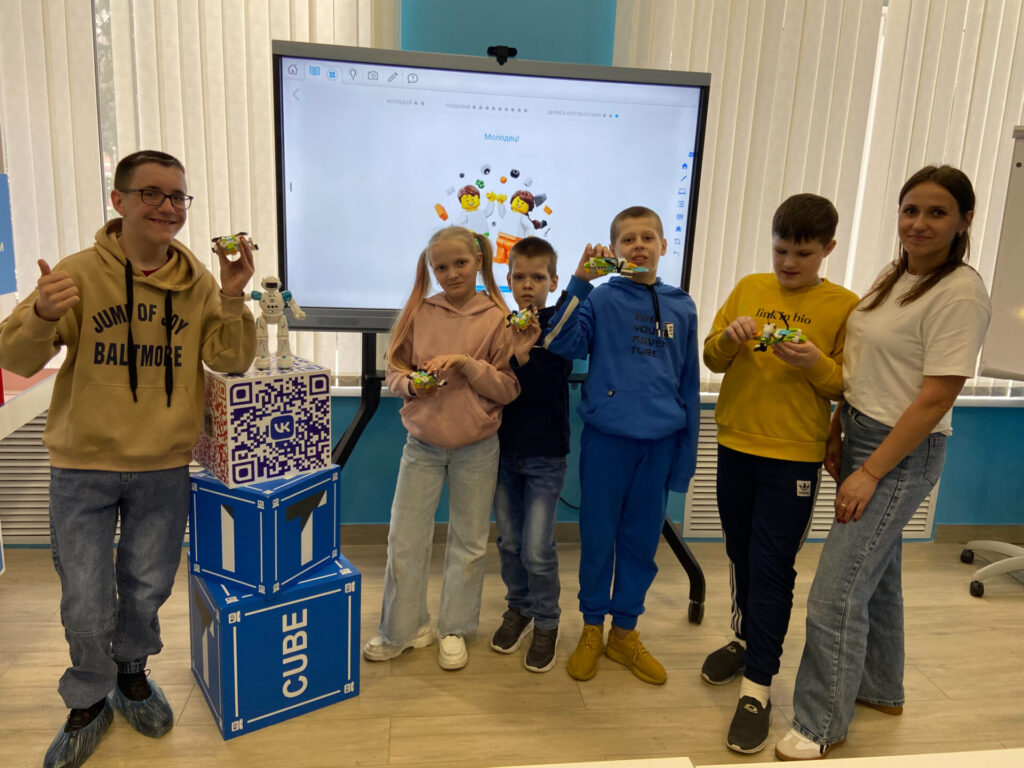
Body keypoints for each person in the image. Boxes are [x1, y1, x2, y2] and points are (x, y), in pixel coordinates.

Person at [0, 149, 256, 768]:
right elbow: (16, 358)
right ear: (119, 200)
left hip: (163, 466)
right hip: (81, 467)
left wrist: (232, 295)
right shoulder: (77, 273)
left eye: (177, 196)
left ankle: (131, 674)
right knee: (86, 600)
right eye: (151, 193)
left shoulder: (198, 282)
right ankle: (88, 700)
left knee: (146, 589)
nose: (167, 207)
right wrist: (41, 314)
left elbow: (230, 359)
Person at [775, 166, 992, 760]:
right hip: (861, 429)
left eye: (937, 212)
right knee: (878, 577)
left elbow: (935, 398)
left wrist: (870, 472)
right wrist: (838, 427)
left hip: (901, 451)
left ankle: (820, 724)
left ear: (965, 221)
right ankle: (880, 689)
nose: (918, 223)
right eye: (910, 210)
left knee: (836, 591)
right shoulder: (895, 274)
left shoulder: (960, 293)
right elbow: (864, 366)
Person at [701, 194, 859, 754]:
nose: (789, 263)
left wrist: (814, 362)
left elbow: (846, 384)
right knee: (740, 553)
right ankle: (746, 640)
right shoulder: (749, 287)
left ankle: (759, 686)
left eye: (803, 253)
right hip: (734, 443)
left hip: (792, 456)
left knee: (771, 566)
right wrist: (729, 340)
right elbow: (712, 358)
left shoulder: (845, 305)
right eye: (780, 250)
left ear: (828, 249)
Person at [362, 225, 531, 671]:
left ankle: (454, 628)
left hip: (478, 447)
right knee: (404, 539)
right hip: (421, 446)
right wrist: (412, 386)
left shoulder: (497, 317)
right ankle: (403, 629)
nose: (452, 273)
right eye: (441, 267)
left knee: (469, 542)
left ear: (479, 262)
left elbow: (508, 389)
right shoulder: (419, 312)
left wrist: (467, 365)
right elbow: (395, 372)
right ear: (430, 270)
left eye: (460, 263)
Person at [543, 205, 699, 685]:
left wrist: (684, 463)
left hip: (659, 446)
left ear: (663, 245)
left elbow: (689, 386)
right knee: (598, 540)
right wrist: (579, 282)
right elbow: (557, 343)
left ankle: (624, 633)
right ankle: (592, 628)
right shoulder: (601, 299)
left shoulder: (682, 306)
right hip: (607, 442)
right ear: (614, 250)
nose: (638, 246)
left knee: (640, 543)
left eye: (647, 237)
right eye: (627, 240)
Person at [489, 236, 572, 673]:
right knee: (509, 541)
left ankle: (547, 621)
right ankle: (519, 607)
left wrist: (523, 356)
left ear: (553, 282)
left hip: (545, 455)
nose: (527, 285)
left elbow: (543, 386)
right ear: (508, 279)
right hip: (503, 453)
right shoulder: (500, 325)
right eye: (519, 276)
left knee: (537, 548)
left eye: (537, 277)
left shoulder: (559, 327)